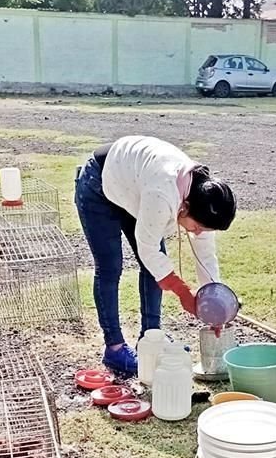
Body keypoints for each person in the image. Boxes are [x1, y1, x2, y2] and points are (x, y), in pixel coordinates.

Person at [75, 135, 237, 376]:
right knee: (110, 267)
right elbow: (148, 247)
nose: (199, 232)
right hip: (99, 183)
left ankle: (151, 337)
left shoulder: (203, 200)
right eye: (198, 227)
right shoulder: (164, 193)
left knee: (154, 267)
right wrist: (183, 292)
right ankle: (115, 349)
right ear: (185, 208)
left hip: (135, 183)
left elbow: (206, 257)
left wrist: (215, 307)